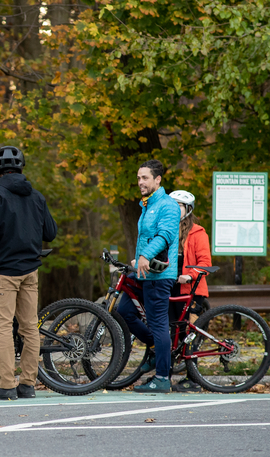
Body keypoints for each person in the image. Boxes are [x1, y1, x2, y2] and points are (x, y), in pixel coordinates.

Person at [0, 146, 57, 400]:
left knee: (3, 329)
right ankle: (27, 384)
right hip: (30, 271)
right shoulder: (37, 197)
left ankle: (7, 384)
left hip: (3, 273)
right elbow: (50, 233)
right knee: (30, 329)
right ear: (21, 168)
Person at [116, 159, 180, 393]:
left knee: (158, 324)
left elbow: (165, 236)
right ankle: (154, 346)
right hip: (145, 273)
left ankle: (162, 378)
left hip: (159, 276)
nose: (140, 182)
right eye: (138, 178)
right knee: (124, 311)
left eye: (144, 177)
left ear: (157, 179)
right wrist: (139, 260)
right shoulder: (148, 205)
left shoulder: (168, 205)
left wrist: (144, 256)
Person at [168, 189, 211, 392]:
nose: (175, 209)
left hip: (191, 289)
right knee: (172, 333)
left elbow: (205, 263)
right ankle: (164, 376)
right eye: (172, 205)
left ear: (188, 209)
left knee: (189, 336)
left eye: (179, 205)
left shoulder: (198, 233)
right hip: (170, 289)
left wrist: (190, 274)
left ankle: (193, 380)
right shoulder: (166, 229)